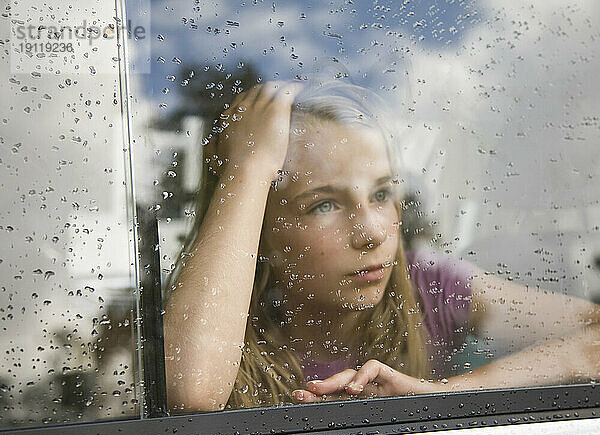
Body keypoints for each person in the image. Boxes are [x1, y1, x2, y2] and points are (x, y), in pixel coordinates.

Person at [163, 80, 600, 413]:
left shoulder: (429, 288)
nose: (371, 234)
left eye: (380, 194)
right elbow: (193, 389)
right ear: (259, 227)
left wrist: (438, 394)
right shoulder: (219, 316)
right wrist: (248, 169)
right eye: (324, 204)